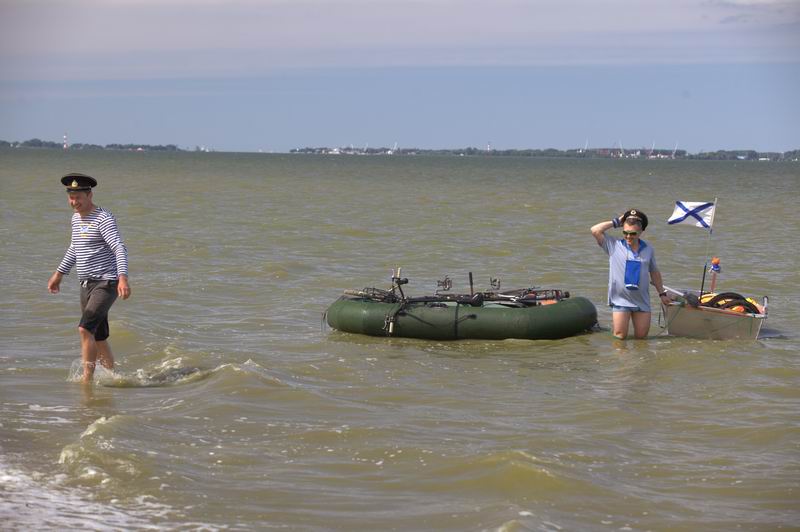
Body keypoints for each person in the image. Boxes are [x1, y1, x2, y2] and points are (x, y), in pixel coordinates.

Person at [48, 173, 131, 383]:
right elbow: (74, 249)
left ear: (89, 195)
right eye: (71, 197)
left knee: (84, 329)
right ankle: (114, 378)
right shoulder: (75, 219)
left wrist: (122, 278)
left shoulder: (104, 218)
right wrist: (59, 274)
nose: (74, 202)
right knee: (99, 336)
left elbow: (119, 248)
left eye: (78, 198)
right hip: (86, 284)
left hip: (106, 282)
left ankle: (87, 381)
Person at [591, 209, 669, 339]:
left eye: (632, 233)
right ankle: (622, 360)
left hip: (642, 301)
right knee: (620, 338)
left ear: (641, 231)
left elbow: (654, 272)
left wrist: (662, 294)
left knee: (641, 339)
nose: (628, 236)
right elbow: (595, 230)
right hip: (621, 300)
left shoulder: (648, 249)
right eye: (625, 233)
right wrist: (616, 221)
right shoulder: (613, 245)